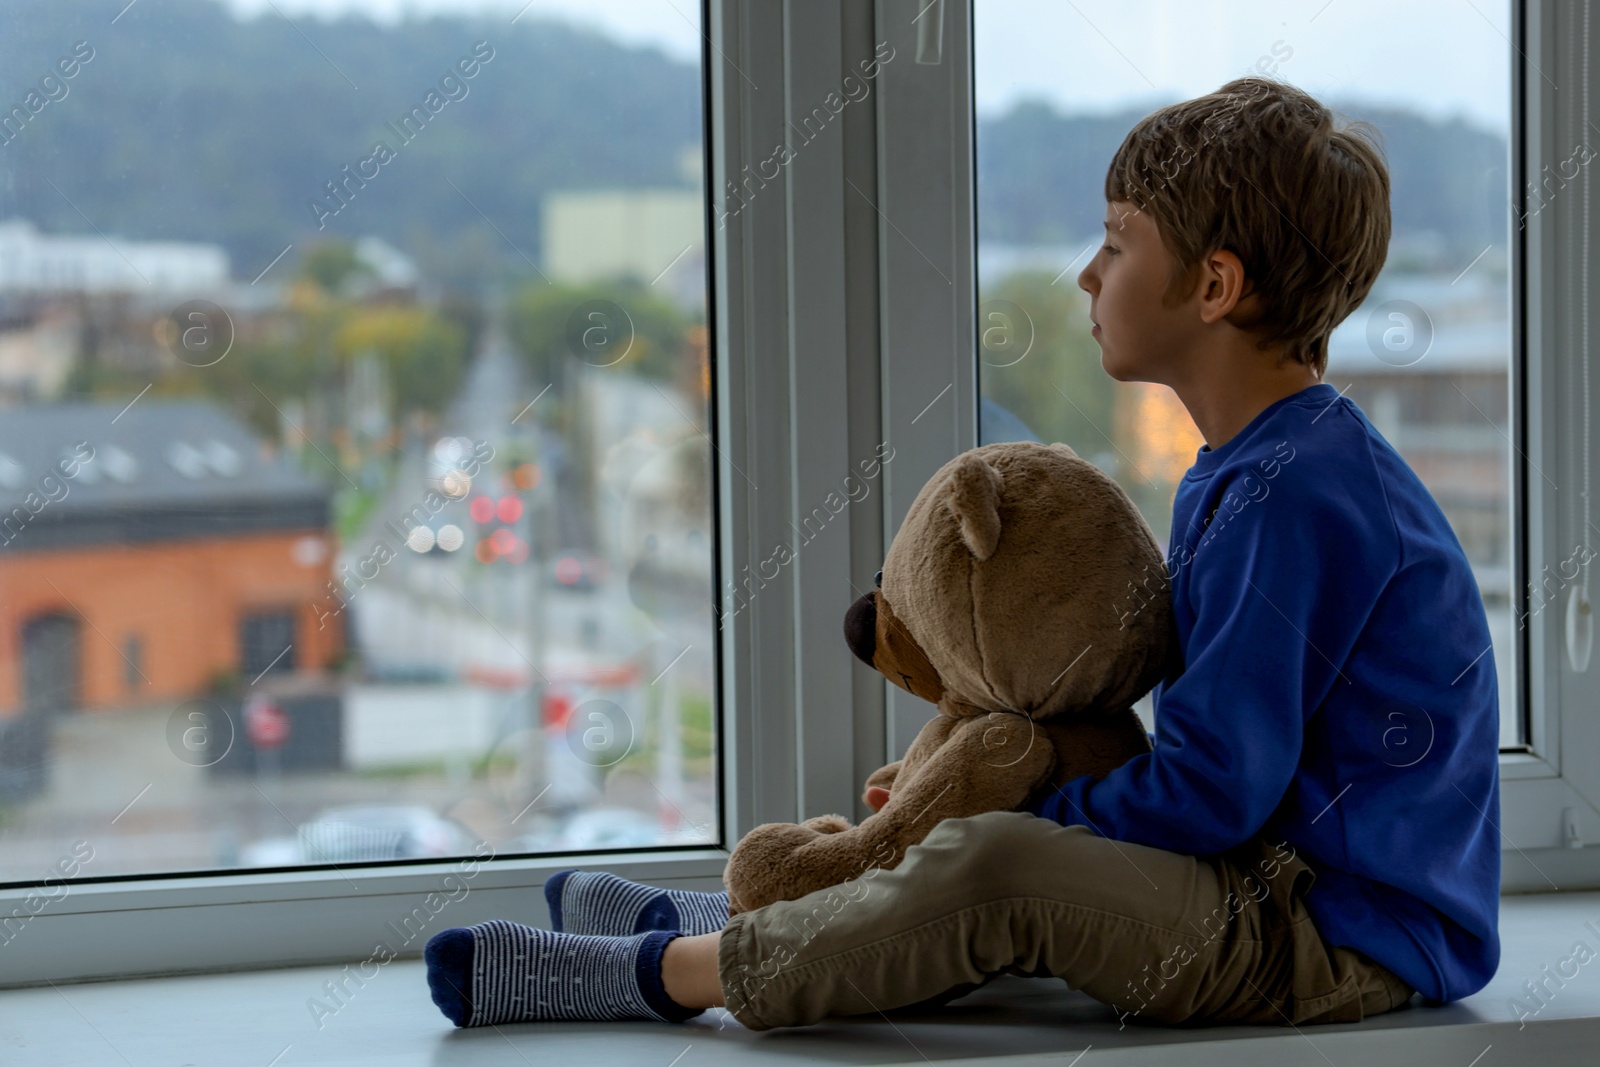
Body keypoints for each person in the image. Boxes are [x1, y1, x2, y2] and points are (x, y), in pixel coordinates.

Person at [422, 75, 1501, 1032]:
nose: (1086, 273)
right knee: (1013, 777)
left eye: (1117, 241)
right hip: (1265, 882)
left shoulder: (1298, 491)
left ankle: (660, 967)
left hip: (1338, 933)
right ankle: (755, 907)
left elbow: (1214, 788)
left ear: (1214, 287)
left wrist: (1006, 808)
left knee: (1000, 866)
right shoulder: (1251, 464)